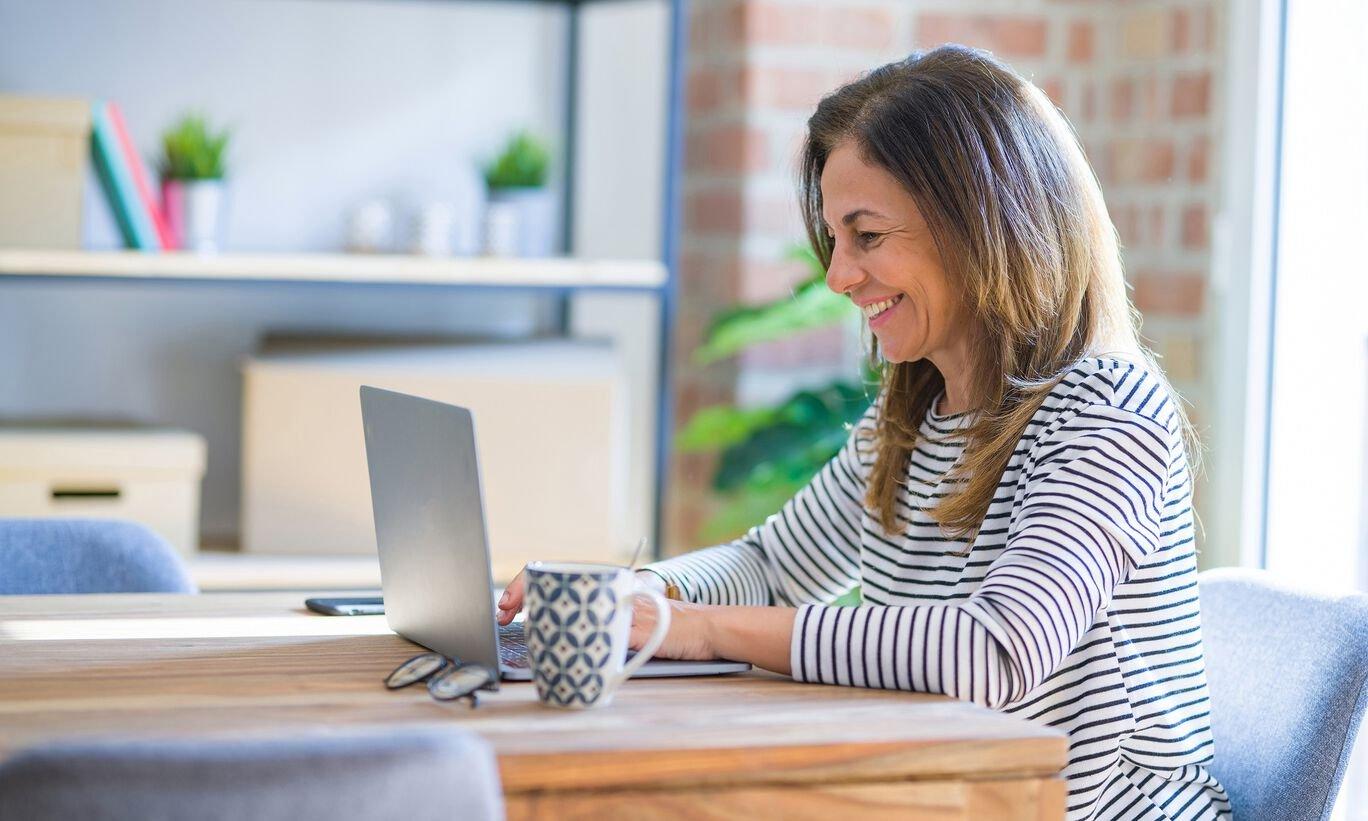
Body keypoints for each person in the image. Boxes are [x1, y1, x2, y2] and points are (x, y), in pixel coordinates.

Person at [498, 45, 1231, 820]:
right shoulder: (913, 416)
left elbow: (996, 651)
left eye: (868, 236)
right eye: (835, 240)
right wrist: (648, 592)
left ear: (978, 224)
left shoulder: (1107, 409)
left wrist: (703, 628)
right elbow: (773, 565)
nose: (839, 275)